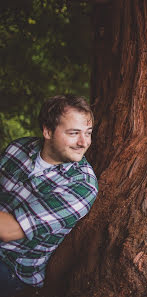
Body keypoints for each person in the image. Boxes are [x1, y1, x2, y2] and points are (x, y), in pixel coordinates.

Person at [0, 95, 98, 296]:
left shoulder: (82, 187)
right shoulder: (18, 148)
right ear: (47, 131)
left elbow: (8, 231)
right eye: (74, 133)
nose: (83, 142)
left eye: (88, 133)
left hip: (12, 270)